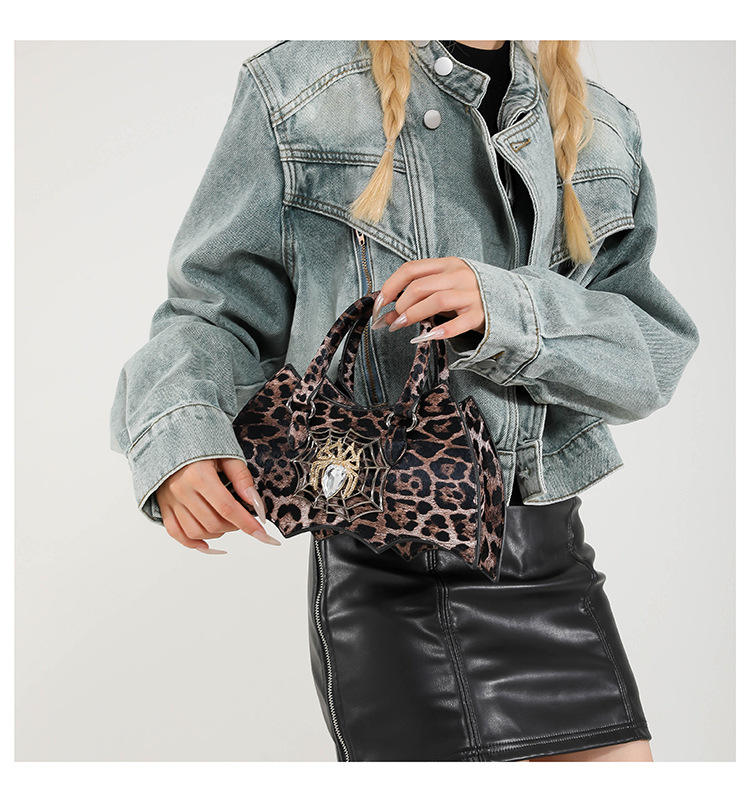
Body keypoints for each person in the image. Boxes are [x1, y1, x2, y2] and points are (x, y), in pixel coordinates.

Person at [110, 40, 699, 761]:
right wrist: (178, 435)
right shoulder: (303, 90)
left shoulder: (602, 127)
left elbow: (652, 354)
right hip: (389, 572)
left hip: (551, 558)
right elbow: (212, 310)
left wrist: (509, 308)